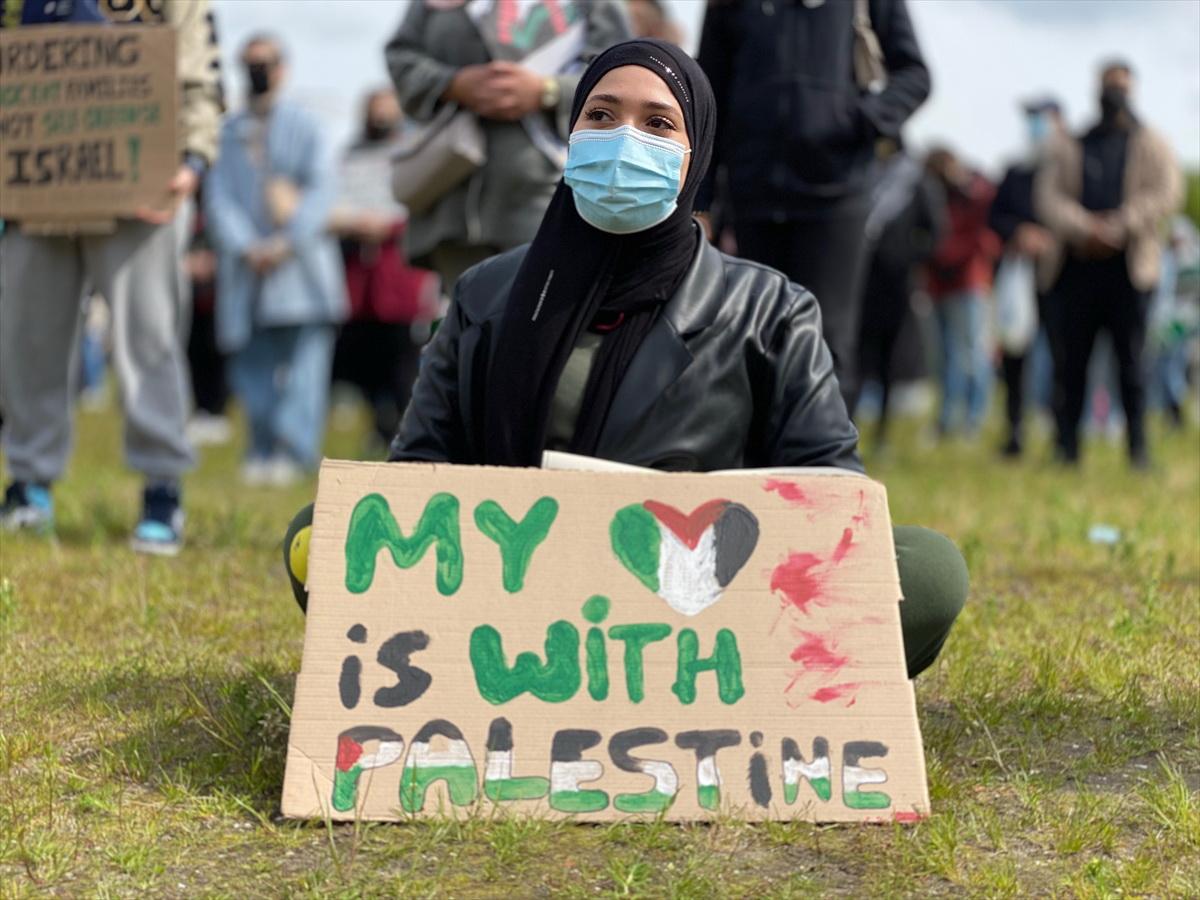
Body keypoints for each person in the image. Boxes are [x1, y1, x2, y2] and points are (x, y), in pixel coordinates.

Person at [284, 40, 967, 681]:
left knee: (927, 570)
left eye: (658, 124)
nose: (624, 140)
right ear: (571, 135)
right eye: (602, 116)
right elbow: (417, 473)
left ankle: (704, 688)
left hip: (704, 620)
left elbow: (828, 498)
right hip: (510, 601)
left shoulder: (770, 308)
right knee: (320, 535)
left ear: (696, 155)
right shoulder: (488, 295)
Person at [0, 0, 222, 555]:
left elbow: (200, 69)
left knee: (147, 338)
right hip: (35, 188)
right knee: (29, 338)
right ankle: (29, 485)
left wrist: (192, 161)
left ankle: (161, 489)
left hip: (142, 186)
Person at [697, 0, 930, 410]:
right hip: (752, 196)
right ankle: (757, 468)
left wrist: (856, 119)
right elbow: (708, 94)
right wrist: (700, 201)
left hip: (835, 197)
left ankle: (826, 468)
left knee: (827, 344)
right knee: (753, 339)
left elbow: (915, 75)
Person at [385, 0, 631, 293]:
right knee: (470, 324)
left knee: (543, 314)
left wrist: (547, 91)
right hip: (455, 196)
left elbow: (623, 74)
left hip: (554, 191)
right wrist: (453, 83)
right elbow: (401, 55)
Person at [205, 35, 348, 486]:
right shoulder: (227, 132)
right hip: (247, 270)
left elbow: (323, 190)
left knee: (306, 367)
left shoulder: (308, 126)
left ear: (282, 68)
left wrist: (287, 242)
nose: (257, 70)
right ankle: (261, 447)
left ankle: (295, 450)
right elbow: (218, 197)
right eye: (248, 63)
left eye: (264, 63)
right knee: (252, 366)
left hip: (301, 269)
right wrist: (247, 247)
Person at [1035, 61, 1183, 468]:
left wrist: (1120, 225)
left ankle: (1138, 450)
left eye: (1120, 86)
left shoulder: (1153, 142)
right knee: (1072, 364)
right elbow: (1048, 198)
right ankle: (1067, 450)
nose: (1113, 93)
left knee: (1132, 364)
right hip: (1077, 270)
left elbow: (1168, 192)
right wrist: (1086, 228)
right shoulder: (1072, 143)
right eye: (1108, 86)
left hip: (1130, 272)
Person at [329, 89, 440, 451]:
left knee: (404, 365)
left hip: (402, 279)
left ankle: (406, 431)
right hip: (361, 282)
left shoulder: (415, 154)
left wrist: (387, 227)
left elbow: (423, 209)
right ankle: (379, 427)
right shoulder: (350, 156)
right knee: (363, 361)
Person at [855, 138, 945, 452]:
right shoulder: (863, 174)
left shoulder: (916, 181)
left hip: (897, 284)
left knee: (889, 360)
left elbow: (934, 231)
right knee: (855, 358)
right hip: (861, 283)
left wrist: (906, 258)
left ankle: (883, 433)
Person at [987, 98, 1066, 458]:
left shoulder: (1068, 168)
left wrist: (1051, 237)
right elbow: (996, 216)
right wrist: (1019, 232)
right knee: (1016, 357)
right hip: (1019, 277)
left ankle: (1062, 432)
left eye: (1041, 118)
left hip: (1060, 278)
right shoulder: (1016, 171)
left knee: (1063, 357)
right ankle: (1015, 432)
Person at [925, 148, 1001, 439]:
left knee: (971, 354)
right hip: (939, 284)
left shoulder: (976, 193)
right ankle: (947, 419)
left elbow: (983, 227)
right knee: (945, 356)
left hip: (969, 282)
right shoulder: (936, 195)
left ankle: (973, 419)